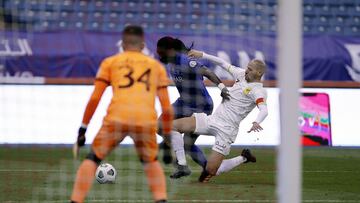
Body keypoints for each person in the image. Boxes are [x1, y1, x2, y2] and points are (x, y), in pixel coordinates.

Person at [70, 25, 173, 203]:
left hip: (117, 118)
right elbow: (167, 108)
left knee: (93, 158)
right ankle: (161, 200)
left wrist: (83, 129)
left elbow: (95, 98)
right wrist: (168, 137)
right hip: (145, 120)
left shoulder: (110, 62)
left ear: (123, 45)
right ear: (143, 45)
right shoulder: (156, 67)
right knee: (151, 162)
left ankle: (75, 201)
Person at [170, 49, 268, 182]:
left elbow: (263, 110)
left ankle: (244, 157)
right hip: (212, 120)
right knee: (172, 126)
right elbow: (222, 63)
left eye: (250, 69)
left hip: (227, 130)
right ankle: (182, 165)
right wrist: (202, 55)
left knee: (211, 171)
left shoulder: (259, 91)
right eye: (247, 68)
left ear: (259, 73)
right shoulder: (240, 74)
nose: (246, 71)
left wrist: (257, 122)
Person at [156, 36, 230, 179]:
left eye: (162, 53)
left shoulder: (187, 61)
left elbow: (208, 72)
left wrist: (222, 87)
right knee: (160, 125)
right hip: (183, 103)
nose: (160, 57)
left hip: (201, 105)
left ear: (170, 51)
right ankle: (177, 154)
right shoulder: (170, 63)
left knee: (187, 144)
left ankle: (203, 168)